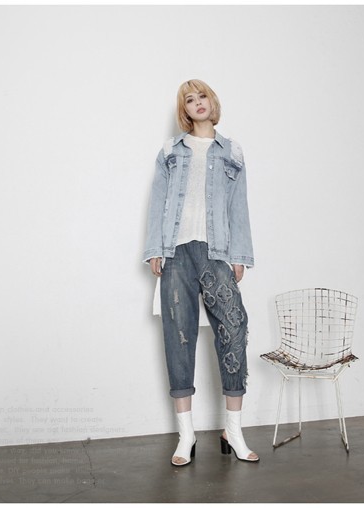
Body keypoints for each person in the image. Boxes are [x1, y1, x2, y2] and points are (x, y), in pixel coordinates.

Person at [143, 79, 258, 466]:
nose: (197, 103)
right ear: (185, 110)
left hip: (217, 252)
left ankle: (233, 430)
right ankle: (186, 435)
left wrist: (239, 254)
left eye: (202, 96)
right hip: (176, 252)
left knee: (234, 330)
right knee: (179, 338)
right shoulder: (170, 151)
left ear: (212, 101)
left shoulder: (232, 152)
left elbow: (238, 206)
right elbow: (158, 201)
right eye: (189, 100)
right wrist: (155, 249)